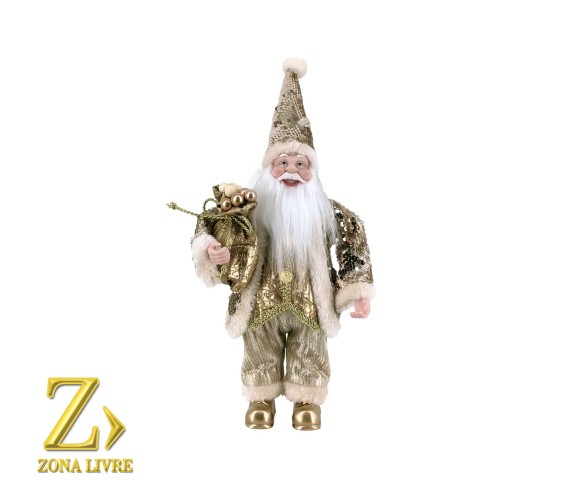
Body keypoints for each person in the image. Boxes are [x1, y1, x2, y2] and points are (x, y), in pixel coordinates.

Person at [191, 58, 374, 430]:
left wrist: (358, 292)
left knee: (311, 348)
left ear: (312, 172)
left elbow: (353, 241)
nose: (291, 170)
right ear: (268, 169)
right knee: (259, 348)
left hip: (312, 302)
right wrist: (212, 249)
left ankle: (307, 401)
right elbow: (212, 225)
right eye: (283, 162)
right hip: (260, 300)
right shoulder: (248, 210)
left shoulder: (328, 213)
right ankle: (260, 399)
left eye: (301, 164)